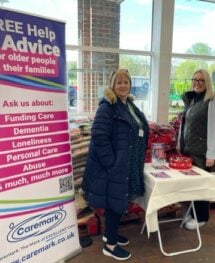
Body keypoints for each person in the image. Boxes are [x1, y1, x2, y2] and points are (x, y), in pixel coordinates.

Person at [82, 69, 149, 260]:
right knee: (114, 204)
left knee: (119, 200)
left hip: (127, 164)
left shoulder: (128, 105)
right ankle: (110, 246)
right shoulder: (108, 106)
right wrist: (111, 163)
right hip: (114, 166)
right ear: (112, 85)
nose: (123, 85)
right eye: (118, 82)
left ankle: (109, 234)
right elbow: (99, 136)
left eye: (126, 82)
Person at [177, 69, 215, 230]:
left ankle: (202, 217)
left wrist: (212, 154)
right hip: (189, 151)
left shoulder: (212, 101)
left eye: (201, 80)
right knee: (192, 185)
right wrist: (179, 145)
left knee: (201, 185)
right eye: (195, 79)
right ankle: (194, 212)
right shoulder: (193, 100)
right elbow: (185, 125)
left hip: (202, 154)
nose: (197, 82)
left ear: (207, 83)